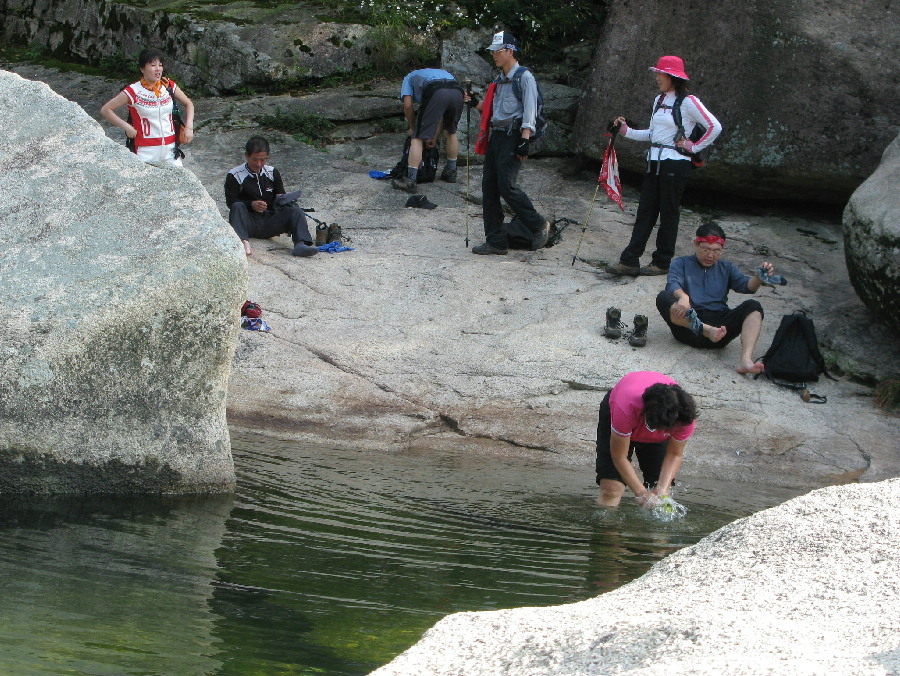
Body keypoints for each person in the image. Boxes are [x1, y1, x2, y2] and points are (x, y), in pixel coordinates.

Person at [608, 55, 721, 276]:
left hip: (676, 164)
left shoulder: (688, 101)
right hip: (655, 161)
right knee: (646, 211)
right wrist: (625, 131)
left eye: (660, 73)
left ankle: (661, 262)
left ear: (672, 76)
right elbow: (653, 134)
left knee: (668, 213)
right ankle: (630, 260)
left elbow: (714, 126)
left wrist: (693, 147)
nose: (657, 77)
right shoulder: (659, 100)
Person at [469, 31, 550, 256]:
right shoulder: (500, 80)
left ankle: (537, 224)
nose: (494, 55)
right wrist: (476, 103)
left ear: (510, 51)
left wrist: (524, 140)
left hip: (514, 136)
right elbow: (494, 110)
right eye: (493, 51)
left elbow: (530, 111)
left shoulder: (524, 77)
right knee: (490, 187)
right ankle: (495, 240)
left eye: (498, 50)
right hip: (498, 136)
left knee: (507, 185)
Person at [656, 221, 774, 374]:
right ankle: (704, 329)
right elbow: (672, 283)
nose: (710, 255)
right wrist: (683, 297)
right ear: (696, 244)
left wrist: (759, 278)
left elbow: (747, 286)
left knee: (753, 306)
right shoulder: (681, 263)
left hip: (720, 331)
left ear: (722, 250)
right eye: (705, 249)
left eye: (716, 251)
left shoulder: (727, 268)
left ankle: (746, 360)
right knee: (663, 297)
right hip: (689, 326)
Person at [596, 371, 697, 508]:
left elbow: (674, 454)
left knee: (660, 493)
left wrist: (662, 488)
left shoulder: (685, 417)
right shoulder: (625, 408)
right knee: (611, 489)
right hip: (628, 417)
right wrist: (641, 493)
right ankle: (606, 527)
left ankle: (652, 529)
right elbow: (619, 456)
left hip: (660, 417)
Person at [224, 136, 318, 257]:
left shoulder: (272, 172)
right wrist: (251, 204)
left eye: (263, 160)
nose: (258, 164)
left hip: (269, 220)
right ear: (247, 156)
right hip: (248, 221)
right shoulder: (235, 175)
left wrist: (283, 199)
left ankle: (300, 244)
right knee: (237, 206)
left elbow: (280, 195)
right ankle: (243, 242)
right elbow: (230, 201)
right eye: (255, 160)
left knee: (295, 210)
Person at [100, 48, 194, 167]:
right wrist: (127, 127)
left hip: (171, 150)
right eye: (153, 65)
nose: (158, 69)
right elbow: (106, 110)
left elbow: (189, 103)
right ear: (142, 68)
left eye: (160, 65)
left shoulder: (168, 85)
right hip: (145, 151)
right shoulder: (133, 90)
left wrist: (189, 127)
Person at [390, 68, 465, 194]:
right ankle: (451, 171)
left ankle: (410, 180)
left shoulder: (408, 77)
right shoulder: (442, 73)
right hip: (457, 91)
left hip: (435, 91)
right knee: (451, 131)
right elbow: (440, 115)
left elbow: (407, 105)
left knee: (417, 137)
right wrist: (434, 136)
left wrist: (413, 127)